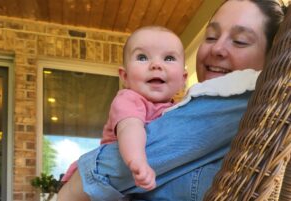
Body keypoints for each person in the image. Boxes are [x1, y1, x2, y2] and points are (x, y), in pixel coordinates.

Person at [57, 0, 284, 200]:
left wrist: (82, 181)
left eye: (240, 41)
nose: (217, 48)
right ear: (124, 76)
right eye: (211, 36)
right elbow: (130, 131)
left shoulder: (242, 101)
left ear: (272, 59)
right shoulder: (135, 99)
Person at [60, 26, 188, 191]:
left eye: (169, 58)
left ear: (183, 79)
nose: (156, 65)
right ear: (125, 76)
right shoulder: (128, 99)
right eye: (142, 57)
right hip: (113, 178)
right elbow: (130, 127)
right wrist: (137, 160)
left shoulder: (178, 108)